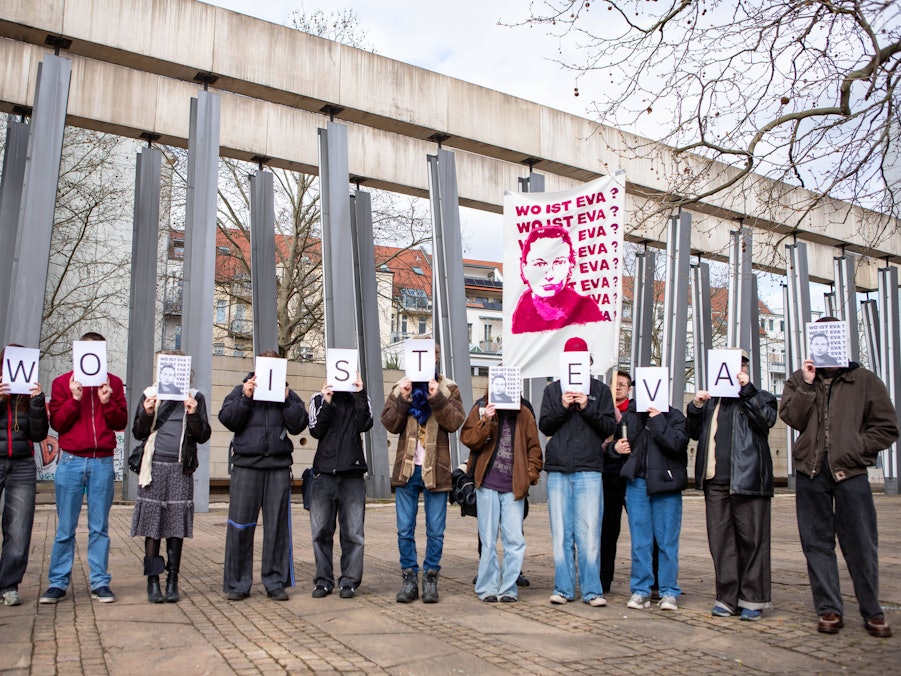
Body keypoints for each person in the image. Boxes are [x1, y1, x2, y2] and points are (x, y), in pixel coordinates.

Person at [780, 317, 898, 638]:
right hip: (811, 472)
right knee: (816, 543)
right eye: (816, 340)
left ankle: (872, 611)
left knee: (860, 544)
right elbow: (791, 416)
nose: (822, 346)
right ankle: (829, 609)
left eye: (827, 339)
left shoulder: (865, 381)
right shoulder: (800, 380)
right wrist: (806, 384)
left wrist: (857, 449)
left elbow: (887, 427)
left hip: (851, 475)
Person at [686, 350, 777, 621]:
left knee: (752, 540)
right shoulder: (714, 402)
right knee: (721, 541)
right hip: (716, 480)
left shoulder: (760, 396)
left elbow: (766, 420)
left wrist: (747, 390)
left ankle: (753, 598)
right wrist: (696, 407)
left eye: (740, 365)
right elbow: (694, 432)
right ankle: (727, 596)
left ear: (746, 368)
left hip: (748, 480)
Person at [40, 332, 128, 604]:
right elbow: (58, 424)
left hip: (102, 461)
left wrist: (107, 402)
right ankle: (57, 583)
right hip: (70, 461)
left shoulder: (112, 382)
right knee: (65, 527)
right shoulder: (62, 382)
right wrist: (74, 398)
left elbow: (120, 421)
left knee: (99, 527)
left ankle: (100, 582)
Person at [218, 351, 308, 601]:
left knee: (277, 527)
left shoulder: (288, 393)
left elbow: (299, 424)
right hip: (246, 467)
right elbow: (228, 419)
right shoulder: (241, 390)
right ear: (257, 366)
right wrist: (246, 397)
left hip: (278, 468)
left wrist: (288, 399)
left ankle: (274, 581)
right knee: (240, 526)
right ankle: (238, 584)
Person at [381, 342, 465, 604]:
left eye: (433, 356)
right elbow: (389, 423)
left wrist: (436, 396)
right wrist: (404, 399)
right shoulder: (400, 386)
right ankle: (409, 578)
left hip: (435, 471)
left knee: (435, 530)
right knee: (404, 529)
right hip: (406, 470)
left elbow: (454, 423)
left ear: (436, 359)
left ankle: (430, 577)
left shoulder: (448, 388)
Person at [539, 337, 615, 606]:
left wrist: (586, 406)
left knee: (590, 532)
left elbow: (608, 427)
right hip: (559, 469)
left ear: (588, 362)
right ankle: (563, 588)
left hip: (589, 469)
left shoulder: (601, 391)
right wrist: (562, 405)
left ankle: (592, 590)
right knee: (561, 533)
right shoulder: (552, 391)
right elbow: (545, 425)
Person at [131, 351, 211, 603]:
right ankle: (153, 580)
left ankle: (172, 579)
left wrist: (194, 413)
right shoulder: (150, 394)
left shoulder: (195, 396)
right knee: (152, 526)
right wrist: (146, 411)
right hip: (153, 467)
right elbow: (138, 431)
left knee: (175, 526)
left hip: (180, 468)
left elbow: (203, 435)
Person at [461, 387, 542, 602]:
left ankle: (508, 588)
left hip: (513, 486)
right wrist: (486, 419)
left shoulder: (524, 412)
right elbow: (468, 439)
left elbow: (535, 450)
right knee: (487, 540)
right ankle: (487, 587)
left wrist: (528, 476)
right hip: (487, 483)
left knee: (514, 539)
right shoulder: (481, 407)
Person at [615, 394, 689, 612]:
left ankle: (668, 591)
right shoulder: (632, 415)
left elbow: (677, 444)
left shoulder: (674, 416)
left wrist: (658, 419)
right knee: (640, 541)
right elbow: (622, 446)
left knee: (667, 541)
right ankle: (641, 589)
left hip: (667, 484)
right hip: (638, 482)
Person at [307, 374, 373, 599]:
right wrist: (326, 401)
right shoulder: (317, 398)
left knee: (353, 533)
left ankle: (349, 580)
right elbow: (315, 430)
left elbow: (366, 423)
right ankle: (323, 581)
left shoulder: (360, 397)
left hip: (352, 474)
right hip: (324, 474)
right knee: (320, 532)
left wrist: (359, 395)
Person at [0, 347, 48, 607]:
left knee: (18, 529)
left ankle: (8, 585)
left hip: (22, 463)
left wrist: (38, 401)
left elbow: (39, 434)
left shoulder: (29, 395)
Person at [511, 226, 604, 334]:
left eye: (559, 262)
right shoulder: (518, 315)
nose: (550, 275)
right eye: (539, 264)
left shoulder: (588, 310)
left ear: (571, 265)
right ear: (524, 269)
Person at [600, 370, 631, 594]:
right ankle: (604, 578)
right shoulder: (604, 410)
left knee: (642, 530)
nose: (618, 387)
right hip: (608, 476)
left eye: (623, 384)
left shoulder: (637, 411)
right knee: (608, 530)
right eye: (615, 384)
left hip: (631, 476)